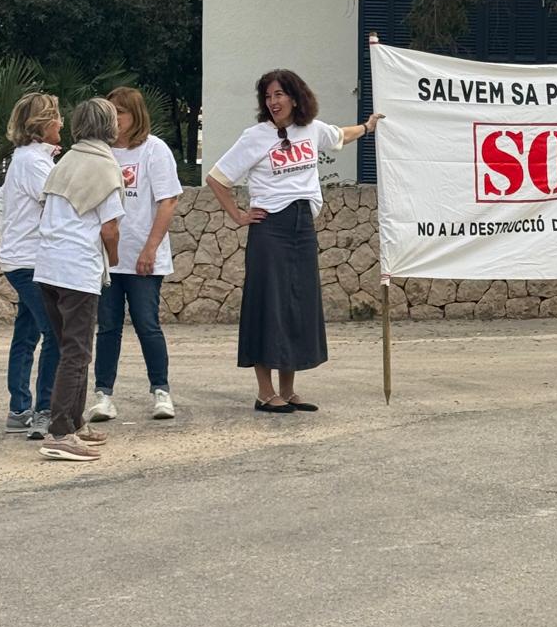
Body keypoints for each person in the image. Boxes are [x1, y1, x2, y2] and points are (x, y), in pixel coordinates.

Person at [206, 70, 383, 412]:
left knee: (297, 306)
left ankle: (287, 391)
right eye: (268, 96)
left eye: (279, 95)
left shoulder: (311, 130)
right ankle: (264, 391)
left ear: (296, 97)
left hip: (303, 226)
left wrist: (367, 127)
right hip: (270, 228)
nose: (273, 102)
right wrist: (239, 215)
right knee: (268, 305)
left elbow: (339, 137)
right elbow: (218, 178)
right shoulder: (256, 137)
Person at [33, 98, 125, 462]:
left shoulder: (65, 161)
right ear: (109, 126)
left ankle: (74, 420)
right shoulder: (105, 166)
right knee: (77, 352)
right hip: (77, 270)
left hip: (48, 267)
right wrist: (114, 261)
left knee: (68, 349)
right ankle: (60, 432)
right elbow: (110, 228)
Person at [87, 87, 182, 423]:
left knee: (147, 324)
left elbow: (168, 201)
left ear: (135, 115)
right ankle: (103, 395)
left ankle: (161, 390)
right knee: (108, 327)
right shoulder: (100, 152)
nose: (116, 118)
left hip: (143, 256)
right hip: (107, 258)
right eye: (111, 111)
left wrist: (150, 249)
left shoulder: (154, 150)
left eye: (121, 112)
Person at [0, 92, 63, 439]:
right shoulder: (35, 163)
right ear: (45, 124)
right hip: (32, 261)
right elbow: (55, 202)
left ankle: (19, 408)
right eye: (58, 118)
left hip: (18, 258)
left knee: (26, 333)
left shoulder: (22, 159)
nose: (62, 124)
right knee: (55, 333)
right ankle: (44, 409)